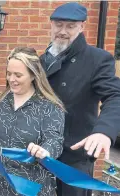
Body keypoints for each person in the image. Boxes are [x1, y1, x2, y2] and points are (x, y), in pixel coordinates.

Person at [39, 3, 120, 196]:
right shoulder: (43, 59)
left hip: (73, 158)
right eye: (58, 25)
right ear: (51, 25)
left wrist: (104, 132)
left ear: (82, 27)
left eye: (70, 26)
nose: (63, 31)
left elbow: (115, 95)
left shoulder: (97, 59)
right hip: (42, 153)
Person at [0, 47, 65, 196]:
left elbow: (54, 140)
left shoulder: (49, 107)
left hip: (32, 189)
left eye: (18, 75)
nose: (11, 79)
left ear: (33, 75)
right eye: (8, 74)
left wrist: (45, 150)